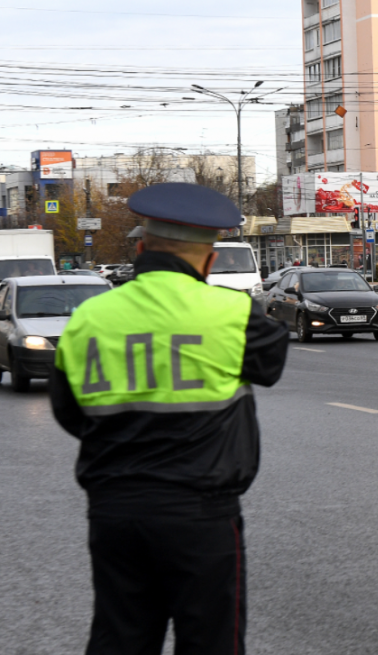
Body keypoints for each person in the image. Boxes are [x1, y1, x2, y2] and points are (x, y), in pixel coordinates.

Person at [49, 183, 290, 655]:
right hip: (200, 513)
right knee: (210, 643)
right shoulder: (233, 312)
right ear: (210, 258)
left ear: (139, 249)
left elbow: (69, 412)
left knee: (119, 638)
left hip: (114, 510)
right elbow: (270, 366)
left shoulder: (88, 318)